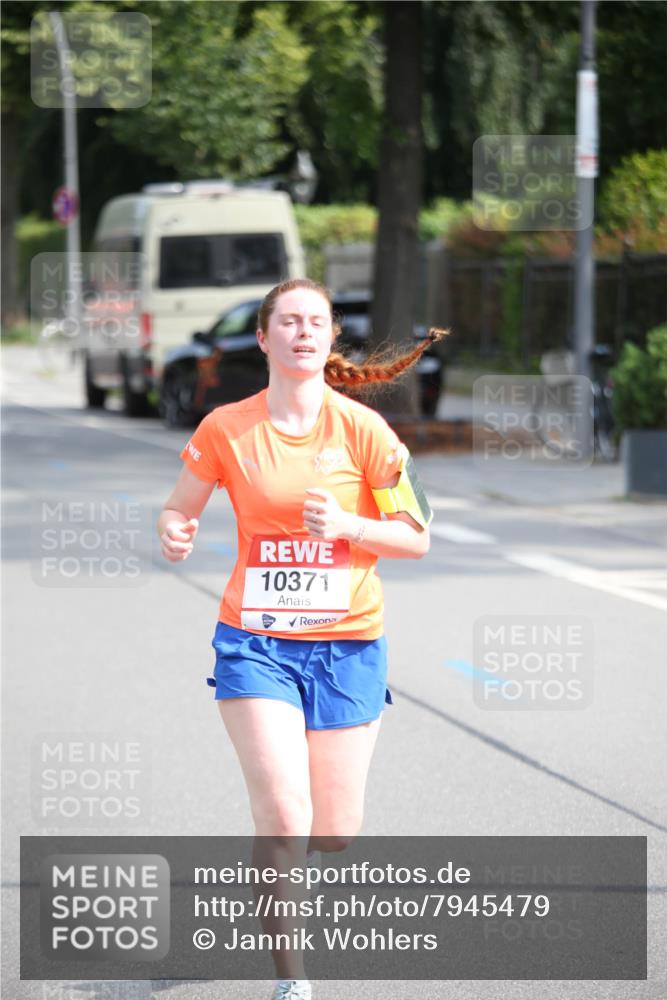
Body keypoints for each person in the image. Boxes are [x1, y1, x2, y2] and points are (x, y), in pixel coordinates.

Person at [158, 278, 446, 1000]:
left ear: (328, 339)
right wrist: (175, 528)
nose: (302, 332)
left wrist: (348, 527)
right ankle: (291, 982)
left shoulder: (364, 431)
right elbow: (179, 506)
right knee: (284, 814)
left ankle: (279, 870)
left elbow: (416, 538)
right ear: (263, 339)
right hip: (254, 640)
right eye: (287, 321)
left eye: (315, 321)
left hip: (348, 644)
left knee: (333, 829)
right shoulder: (226, 428)